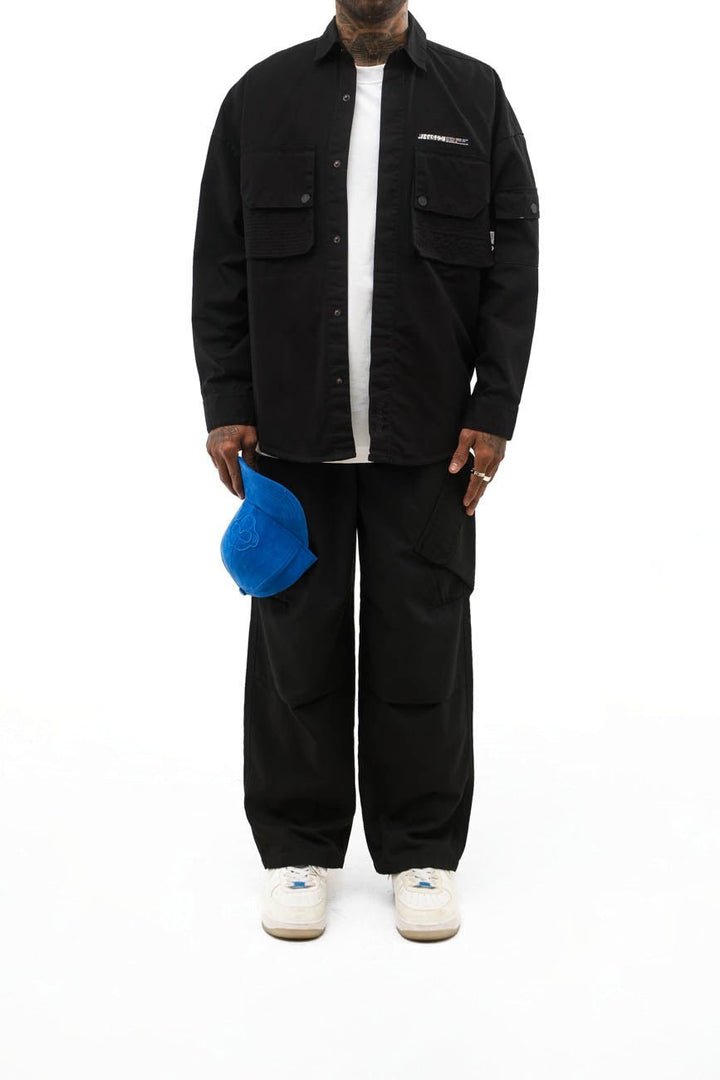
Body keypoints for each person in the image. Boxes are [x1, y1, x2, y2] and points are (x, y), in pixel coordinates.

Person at [191, 0, 539, 941]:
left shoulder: (475, 97)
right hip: (290, 428)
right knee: (293, 639)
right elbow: (219, 259)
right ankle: (298, 849)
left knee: (423, 637)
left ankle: (422, 850)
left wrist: (495, 407)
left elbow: (515, 266)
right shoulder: (260, 98)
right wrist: (225, 398)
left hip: (430, 436)